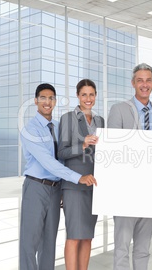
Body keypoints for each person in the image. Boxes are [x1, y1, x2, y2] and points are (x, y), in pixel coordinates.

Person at [19, 83, 97, 270]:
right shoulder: (30, 130)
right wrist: (77, 177)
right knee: (29, 243)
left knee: (49, 243)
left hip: (55, 190)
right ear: (36, 101)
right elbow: (49, 162)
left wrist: (64, 188)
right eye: (43, 98)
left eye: (51, 98)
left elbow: (63, 157)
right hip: (36, 187)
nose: (47, 102)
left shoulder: (58, 125)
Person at [107, 63, 152, 270]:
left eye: (148, 80)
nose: (144, 84)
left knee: (143, 248)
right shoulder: (119, 109)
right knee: (122, 248)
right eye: (140, 80)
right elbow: (112, 149)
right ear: (133, 83)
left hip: (150, 190)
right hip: (126, 190)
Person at [58, 79, 104, 270]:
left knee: (87, 236)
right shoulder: (68, 118)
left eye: (91, 94)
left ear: (95, 96)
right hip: (74, 186)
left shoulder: (100, 121)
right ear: (77, 95)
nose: (88, 98)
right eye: (84, 94)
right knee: (74, 236)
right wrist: (83, 145)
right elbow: (62, 153)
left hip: (93, 185)